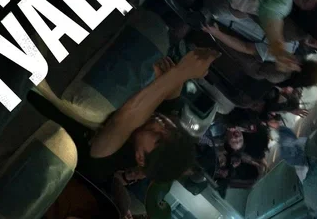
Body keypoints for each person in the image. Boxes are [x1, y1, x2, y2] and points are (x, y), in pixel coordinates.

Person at [81, 49, 220, 186]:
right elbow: (173, 90)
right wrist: (174, 77)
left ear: (140, 158)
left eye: (158, 139)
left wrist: (180, 73)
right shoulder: (165, 123)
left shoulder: (108, 160)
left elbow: (126, 117)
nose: (163, 125)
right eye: (173, 131)